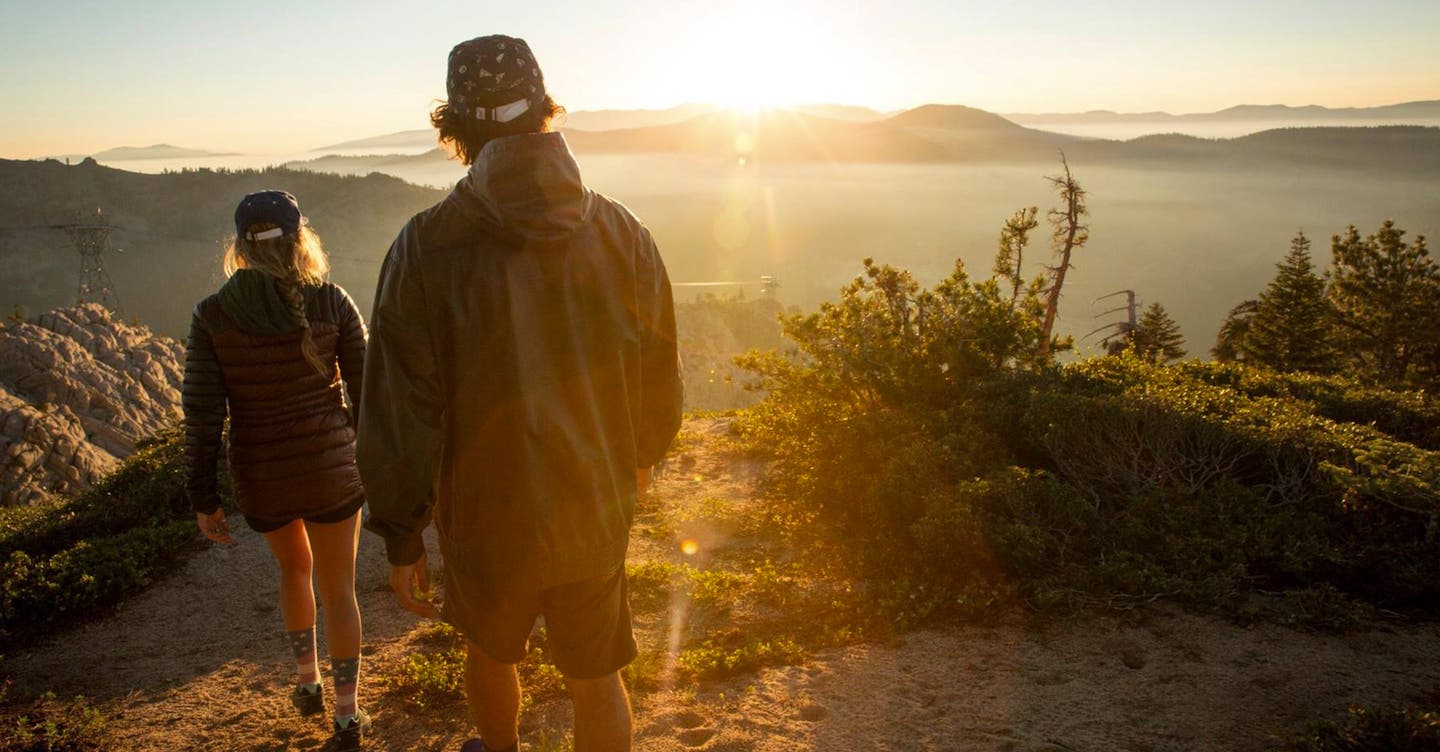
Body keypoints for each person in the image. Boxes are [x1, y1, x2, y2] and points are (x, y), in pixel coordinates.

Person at [357, 34, 683, 752]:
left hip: (484, 510)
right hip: (594, 501)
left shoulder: (425, 245)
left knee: (491, 651)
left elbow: (398, 404)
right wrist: (642, 453)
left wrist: (402, 529)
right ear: (544, 111)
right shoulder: (622, 233)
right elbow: (660, 365)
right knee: (597, 674)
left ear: (457, 127)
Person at [182, 190, 372, 751]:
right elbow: (367, 399)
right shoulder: (332, 301)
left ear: (240, 246)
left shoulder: (212, 315)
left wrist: (203, 496)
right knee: (339, 590)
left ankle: (307, 683)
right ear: (299, 239)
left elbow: (202, 415)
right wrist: (379, 469)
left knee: (294, 573)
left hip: (261, 473)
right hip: (331, 470)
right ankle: (345, 717)